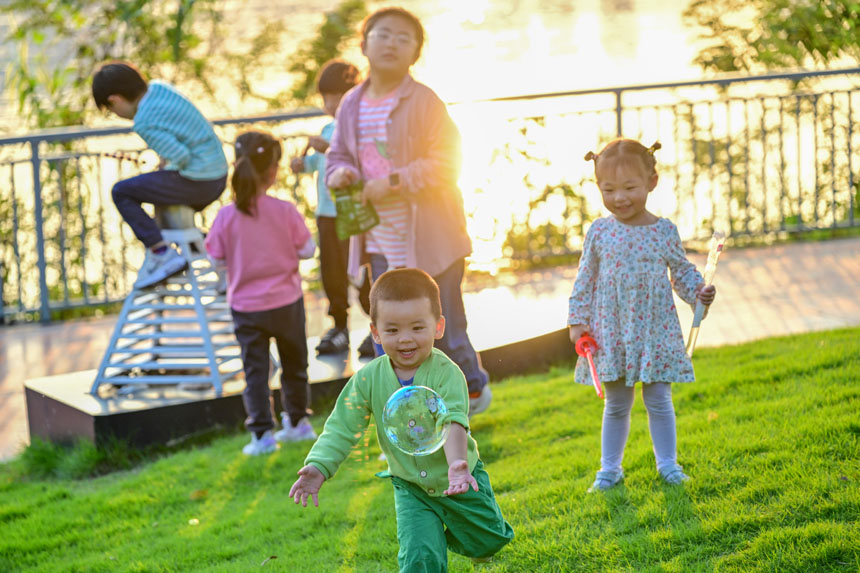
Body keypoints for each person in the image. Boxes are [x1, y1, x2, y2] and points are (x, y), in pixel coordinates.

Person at [325, 6, 492, 417]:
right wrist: (342, 173)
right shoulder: (351, 104)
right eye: (383, 34)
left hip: (433, 242)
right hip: (379, 241)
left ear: (416, 51)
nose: (392, 43)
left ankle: (471, 390)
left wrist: (394, 182)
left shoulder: (424, 100)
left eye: (404, 37)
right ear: (364, 44)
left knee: (445, 329)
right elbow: (338, 154)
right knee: (392, 332)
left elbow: (447, 161)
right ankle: (411, 409)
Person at [289, 268, 514, 570]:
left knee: (488, 539)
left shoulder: (447, 372)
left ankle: (455, 529)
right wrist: (319, 466)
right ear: (376, 332)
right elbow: (342, 426)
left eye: (417, 328)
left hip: (459, 478)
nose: (405, 340)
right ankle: (427, 536)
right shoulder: (368, 379)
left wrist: (457, 465)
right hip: (410, 486)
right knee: (419, 557)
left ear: (438, 326)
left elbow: (454, 422)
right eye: (392, 330)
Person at [568, 139, 717, 492]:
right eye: (609, 190)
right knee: (617, 403)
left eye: (629, 188)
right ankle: (609, 470)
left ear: (652, 181)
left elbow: (681, 271)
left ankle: (668, 465)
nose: (619, 198)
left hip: (654, 330)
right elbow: (584, 278)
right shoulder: (600, 231)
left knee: (659, 400)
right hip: (612, 331)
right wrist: (578, 321)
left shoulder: (663, 230)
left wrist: (699, 293)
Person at [205, 131, 317, 456]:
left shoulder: (226, 216)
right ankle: (297, 424)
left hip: (246, 307)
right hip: (287, 303)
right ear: (273, 171)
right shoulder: (284, 211)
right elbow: (308, 250)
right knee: (295, 364)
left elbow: (215, 258)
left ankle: (263, 436)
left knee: (256, 372)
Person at [92, 61, 228, 289]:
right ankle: (220, 258)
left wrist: (163, 169)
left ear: (115, 99)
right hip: (217, 174)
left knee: (121, 191)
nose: (116, 113)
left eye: (111, 109)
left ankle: (161, 251)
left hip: (199, 179)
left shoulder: (143, 120)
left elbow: (180, 156)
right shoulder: (160, 88)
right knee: (174, 219)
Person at [289, 59, 373, 358]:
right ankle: (339, 325)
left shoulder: (360, 125)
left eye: (333, 96)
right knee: (332, 272)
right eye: (324, 97)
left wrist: (327, 148)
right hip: (327, 213)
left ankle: (379, 326)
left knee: (364, 271)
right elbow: (317, 163)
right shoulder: (327, 126)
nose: (328, 103)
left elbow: (362, 161)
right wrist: (302, 164)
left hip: (352, 213)